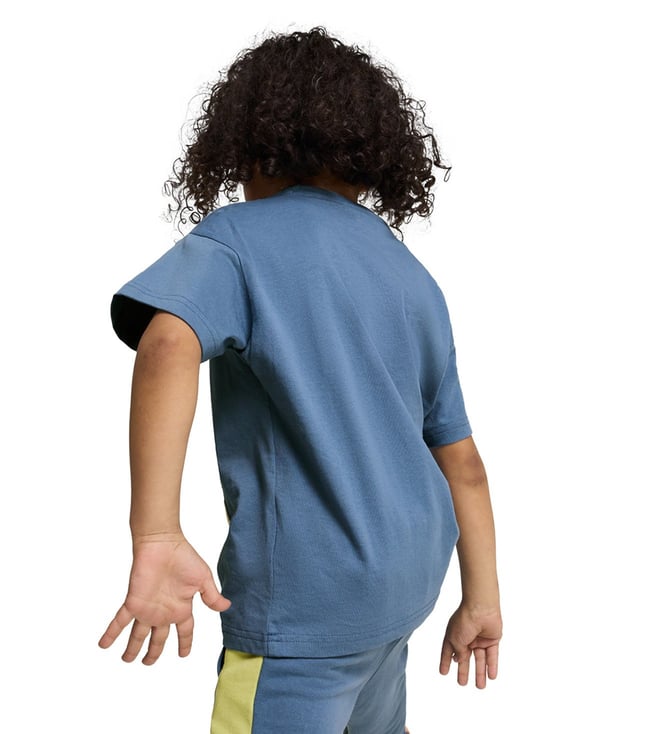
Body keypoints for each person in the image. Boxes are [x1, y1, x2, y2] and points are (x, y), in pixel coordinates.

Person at [98, 27, 502, 734]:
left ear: (251, 144)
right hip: (405, 588)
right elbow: (461, 461)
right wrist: (482, 600)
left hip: (303, 613)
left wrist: (156, 531)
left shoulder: (238, 238)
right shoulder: (411, 276)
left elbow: (167, 342)